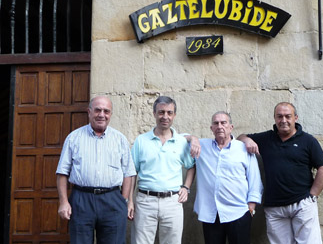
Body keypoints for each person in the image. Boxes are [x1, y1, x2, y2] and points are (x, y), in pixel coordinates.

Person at [238, 102, 323, 244]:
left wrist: (312, 196)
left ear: (296, 118)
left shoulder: (308, 140)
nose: (284, 120)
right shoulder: (266, 138)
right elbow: (240, 138)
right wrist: (247, 140)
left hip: (302, 204)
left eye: (288, 116)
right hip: (274, 208)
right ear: (275, 118)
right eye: (279, 116)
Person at [56, 95, 136, 244]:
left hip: (112, 199)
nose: (102, 115)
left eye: (106, 111)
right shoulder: (74, 138)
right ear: (89, 112)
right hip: (81, 199)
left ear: (110, 114)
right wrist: (63, 202)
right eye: (97, 110)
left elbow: (128, 173)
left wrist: (123, 200)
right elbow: (62, 173)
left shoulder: (120, 139)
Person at [129, 96, 200, 244]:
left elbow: (191, 166)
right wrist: (130, 201)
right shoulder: (141, 141)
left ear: (174, 115)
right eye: (161, 112)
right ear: (154, 113)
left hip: (172, 202)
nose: (165, 117)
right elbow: (132, 173)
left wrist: (186, 187)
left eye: (169, 112)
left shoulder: (181, 142)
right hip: (145, 201)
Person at [194, 111, 263, 244]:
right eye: (216, 123)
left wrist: (251, 208)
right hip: (211, 213)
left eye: (223, 123)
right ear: (211, 128)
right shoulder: (201, 147)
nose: (220, 126)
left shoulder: (244, 148)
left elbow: (255, 180)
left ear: (231, 127)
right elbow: (179, 139)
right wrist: (193, 139)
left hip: (239, 212)